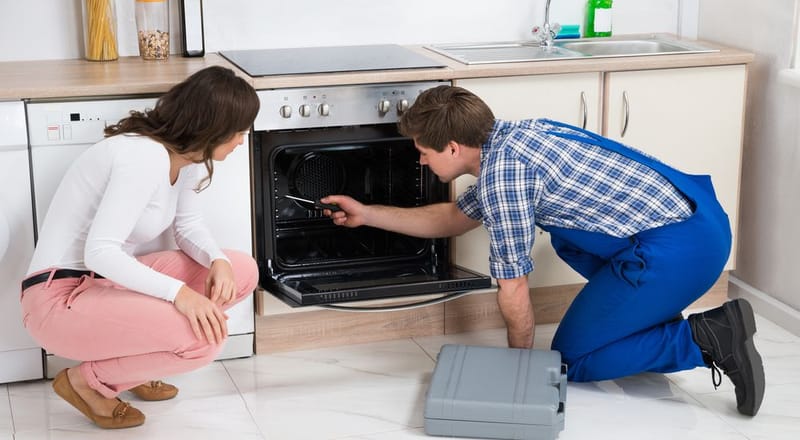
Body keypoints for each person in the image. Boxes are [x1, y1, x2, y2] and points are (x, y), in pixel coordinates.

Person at [322, 85, 765, 416]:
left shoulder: (505, 177)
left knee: (575, 359)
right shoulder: (513, 136)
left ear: (453, 147)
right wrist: (367, 213)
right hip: (700, 225)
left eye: (423, 152)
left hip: (678, 250)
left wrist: (523, 373)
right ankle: (646, 324)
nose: (420, 161)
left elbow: (514, 290)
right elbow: (456, 217)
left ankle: (705, 339)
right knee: (567, 239)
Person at [20, 66, 260, 429]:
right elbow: (100, 252)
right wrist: (179, 293)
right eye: (239, 131)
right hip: (57, 298)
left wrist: (218, 259)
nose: (242, 141)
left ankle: (137, 360)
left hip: (102, 285)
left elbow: (188, 226)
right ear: (212, 127)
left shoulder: (187, 158)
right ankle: (88, 382)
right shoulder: (142, 156)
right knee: (203, 343)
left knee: (242, 271)